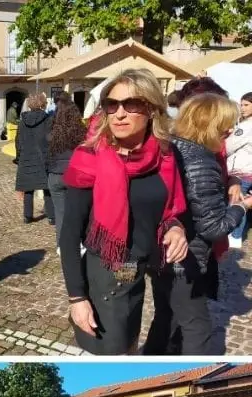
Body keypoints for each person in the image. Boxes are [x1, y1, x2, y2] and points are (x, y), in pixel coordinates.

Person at [61, 69, 189, 355]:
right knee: (112, 350)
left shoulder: (166, 155)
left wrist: (176, 227)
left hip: (144, 266)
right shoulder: (89, 157)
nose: (119, 114)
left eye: (131, 104)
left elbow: (171, 209)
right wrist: (77, 298)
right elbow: (68, 234)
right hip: (106, 270)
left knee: (130, 342)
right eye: (112, 104)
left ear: (152, 110)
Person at [147, 93, 251, 354]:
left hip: (161, 254)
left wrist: (231, 181)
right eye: (225, 124)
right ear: (209, 125)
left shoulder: (174, 146)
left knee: (165, 318)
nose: (229, 130)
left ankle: (155, 354)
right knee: (198, 329)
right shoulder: (200, 159)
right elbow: (213, 227)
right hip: (186, 259)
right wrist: (241, 206)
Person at [47, 98, 86, 238]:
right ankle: (78, 242)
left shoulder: (52, 133)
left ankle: (61, 245)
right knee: (78, 212)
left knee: (60, 212)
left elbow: (46, 155)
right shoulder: (82, 134)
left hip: (55, 175)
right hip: (74, 175)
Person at [15, 94, 53, 223]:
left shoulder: (22, 122)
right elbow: (51, 139)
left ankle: (27, 216)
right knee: (47, 188)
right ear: (43, 104)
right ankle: (51, 216)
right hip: (43, 157)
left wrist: (18, 157)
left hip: (26, 157)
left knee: (28, 188)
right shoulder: (48, 120)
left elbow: (18, 141)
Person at [225, 92, 252, 248]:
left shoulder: (246, 127)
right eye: (241, 105)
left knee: (236, 205)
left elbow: (228, 147)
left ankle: (233, 238)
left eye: (246, 105)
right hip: (248, 171)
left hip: (240, 172)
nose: (242, 108)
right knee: (243, 204)